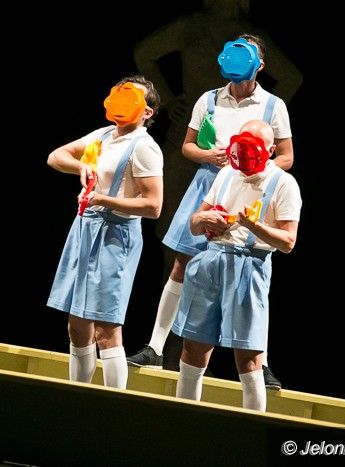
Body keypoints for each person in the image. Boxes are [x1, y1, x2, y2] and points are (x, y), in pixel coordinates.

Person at [128, 33, 293, 389]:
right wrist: (210, 156)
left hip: (249, 188)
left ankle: (260, 362)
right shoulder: (210, 99)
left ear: (260, 65)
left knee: (250, 272)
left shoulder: (272, 105)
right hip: (208, 183)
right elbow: (188, 146)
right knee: (182, 263)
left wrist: (256, 169)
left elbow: (287, 156)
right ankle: (155, 347)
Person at [173, 119, 301, 411]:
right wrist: (204, 218)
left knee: (248, 356)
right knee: (193, 347)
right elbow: (194, 224)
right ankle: (184, 418)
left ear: (269, 150)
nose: (244, 155)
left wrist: (255, 226)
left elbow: (288, 241)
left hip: (249, 267)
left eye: (252, 149)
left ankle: (253, 424)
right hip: (210, 261)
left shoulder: (283, 183)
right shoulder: (227, 173)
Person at [46, 76, 163, 389]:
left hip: (116, 236)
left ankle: (114, 404)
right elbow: (55, 156)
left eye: (132, 96)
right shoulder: (103, 135)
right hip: (85, 228)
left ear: (147, 112)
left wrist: (102, 199)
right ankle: (78, 396)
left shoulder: (144, 148)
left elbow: (153, 206)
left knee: (106, 329)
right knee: (77, 324)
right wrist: (81, 167)